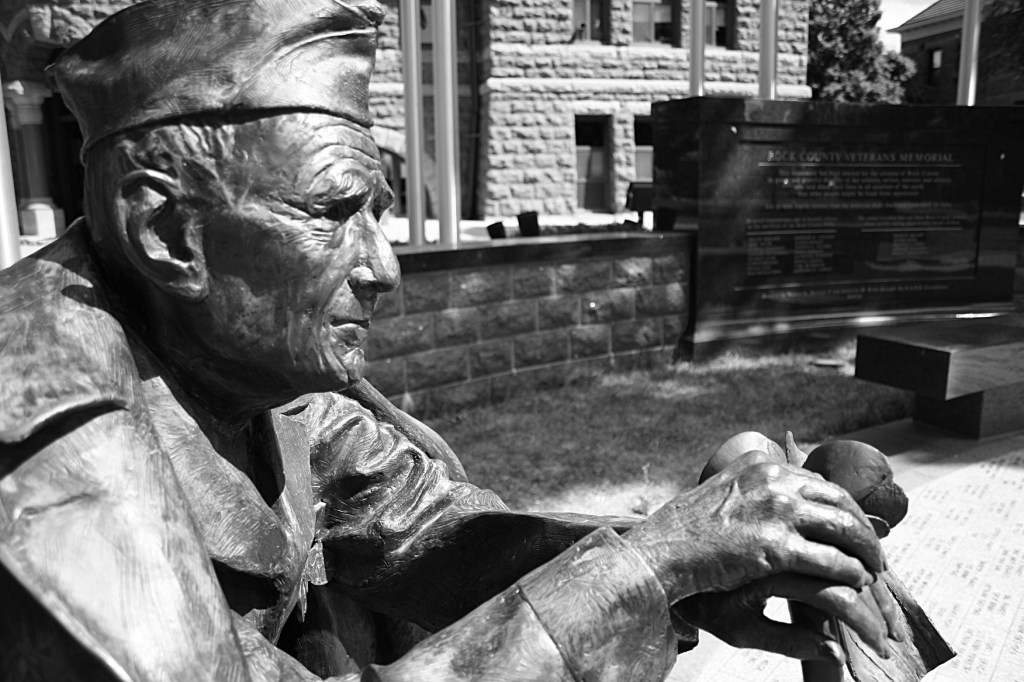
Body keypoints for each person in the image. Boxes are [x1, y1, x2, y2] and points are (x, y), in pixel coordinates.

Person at [0, 1, 900, 680]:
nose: (382, 270)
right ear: (164, 232)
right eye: (331, 213)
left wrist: (693, 556)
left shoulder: (253, 361)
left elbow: (426, 527)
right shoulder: (43, 444)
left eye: (380, 214)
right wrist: (652, 564)